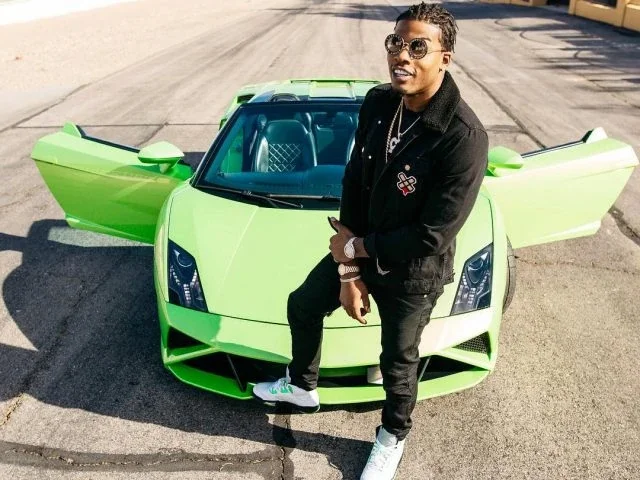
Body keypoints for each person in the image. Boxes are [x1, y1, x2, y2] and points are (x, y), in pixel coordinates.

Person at [253, 2, 488, 478]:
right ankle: (301, 385)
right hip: (360, 247)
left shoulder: (463, 137)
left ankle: (392, 436)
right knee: (303, 305)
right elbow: (355, 180)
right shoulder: (380, 103)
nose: (402, 55)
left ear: (445, 58)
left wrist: (356, 250)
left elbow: (432, 234)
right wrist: (348, 269)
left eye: (418, 47)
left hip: (413, 271)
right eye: (395, 42)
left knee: (397, 363)